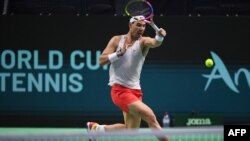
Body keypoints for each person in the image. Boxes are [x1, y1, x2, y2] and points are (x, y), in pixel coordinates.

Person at [87, 15, 169, 141]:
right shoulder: (116, 40)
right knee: (150, 116)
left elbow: (155, 42)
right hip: (119, 91)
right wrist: (118, 54)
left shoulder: (143, 41)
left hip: (136, 91)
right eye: (138, 25)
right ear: (130, 25)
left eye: (143, 26)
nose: (141, 28)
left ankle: (96, 129)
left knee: (131, 131)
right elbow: (100, 61)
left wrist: (159, 35)